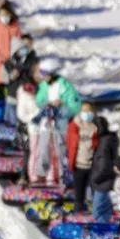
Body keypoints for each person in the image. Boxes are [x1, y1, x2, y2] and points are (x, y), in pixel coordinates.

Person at [33, 58, 81, 186]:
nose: (42, 77)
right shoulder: (43, 86)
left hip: (60, 123)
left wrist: (62, 105)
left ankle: (64, 178)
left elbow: (75, 106)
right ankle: (40, 176)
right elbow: (38, 101)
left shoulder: (65, 86)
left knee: (60, 150)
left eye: (44, 74)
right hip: (46, 122)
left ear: (52, 73)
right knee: (43, 149)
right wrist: (46, 104)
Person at [66, 103, 98, 211]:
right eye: (84, 111)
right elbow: (70, 143)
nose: (86, 113)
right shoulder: (74, 125)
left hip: (92, 164)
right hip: (78, 163)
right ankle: (78, 210)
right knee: (79, 191)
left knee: (93, 191)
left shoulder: (95, 127)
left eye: (88, 111)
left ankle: (94, 210)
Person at [0, 5, 21, 100]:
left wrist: (13, 57)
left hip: (11, 61)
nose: (4, 17)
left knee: (11, 84)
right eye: (2, 15)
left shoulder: (15, 27)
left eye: (6, 15)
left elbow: (18, 43)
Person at [90, 117, 119, 224]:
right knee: (105, 211)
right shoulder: (105, 140)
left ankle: (102, 233)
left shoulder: (104, 143)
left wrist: (95, 179)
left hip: (103, 182)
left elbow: (104, 165)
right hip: (106, 181)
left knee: (97, 212)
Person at [15, 74, 41, 186]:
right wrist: (34, 117)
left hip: (39, 128)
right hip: (26, 128)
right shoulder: (24, 96)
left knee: (39, 151)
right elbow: (21, 114)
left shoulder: (39, 94)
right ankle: (24, 175)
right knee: (28, 152)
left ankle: (39, 175)